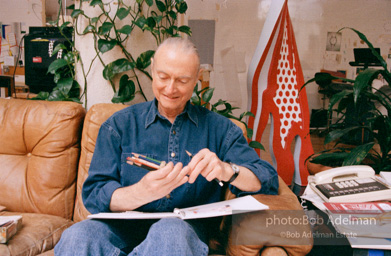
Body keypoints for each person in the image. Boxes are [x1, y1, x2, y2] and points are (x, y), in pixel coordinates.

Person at [54, 37, 278, 256]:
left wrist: (227, 170)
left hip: (182, 234)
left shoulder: (220, 130)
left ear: (196, 79)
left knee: (169, 231)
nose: (170, 89)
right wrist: (140, 193)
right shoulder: (118, 126)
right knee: (77, 236)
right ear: (152, 71)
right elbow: (94, 195)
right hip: (120, 232)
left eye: (182, 80)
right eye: (163, 77)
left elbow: (266, 178)